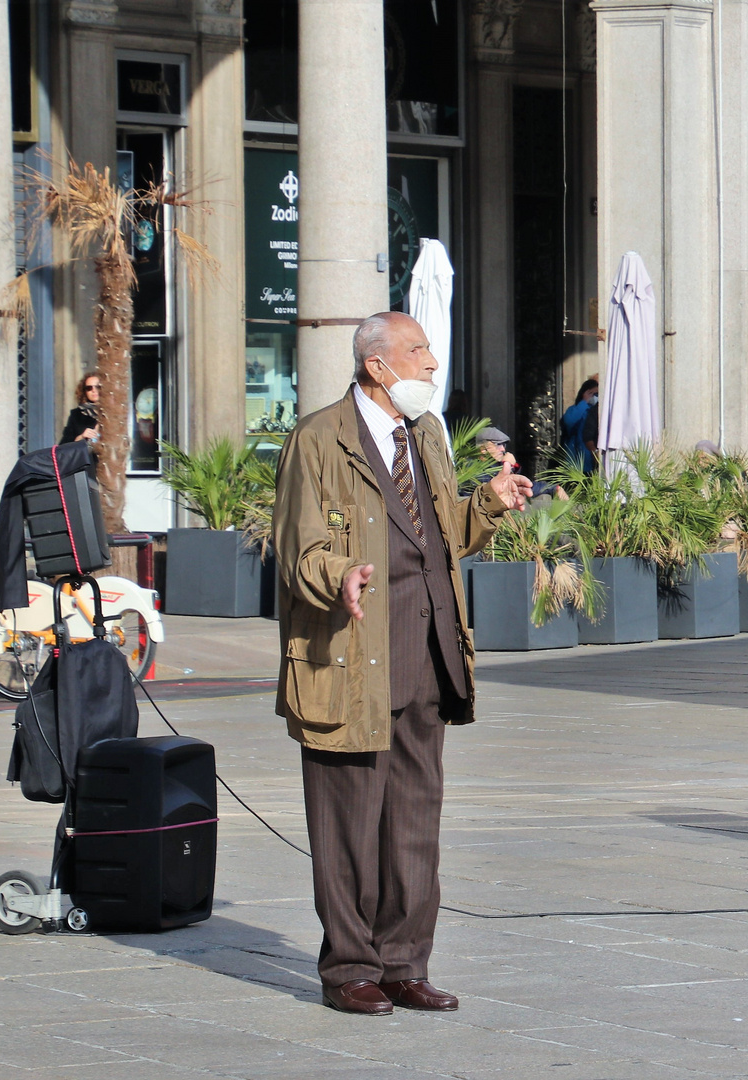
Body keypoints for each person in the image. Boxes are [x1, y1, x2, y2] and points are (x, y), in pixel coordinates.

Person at [273, 311, 531, 1015]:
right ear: (376, 365)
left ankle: (403, 963)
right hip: (348, 657)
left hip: (426, 654)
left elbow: (442, 533)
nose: (432, 364)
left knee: (414, 821)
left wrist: (490, 503)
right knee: (349, 823)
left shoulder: (425, 437)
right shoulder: (318, 439)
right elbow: (297, 550)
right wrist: (340, 577)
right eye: (418, 351)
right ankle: (350, 967)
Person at [560, 377, 599, 473]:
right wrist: (584, 402)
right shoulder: (576, 408)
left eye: (596, 394)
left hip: (593, 456)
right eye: (591, 394)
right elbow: (569, 421)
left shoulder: (598, 411)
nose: (594, 396)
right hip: (577, 457)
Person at [59, 372, 102, 444]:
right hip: (87, 454)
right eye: (89, 388)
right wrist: (81, 437)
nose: (93, 390)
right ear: (85, 392)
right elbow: (64, 445)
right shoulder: (76, 415)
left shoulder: (113, 413)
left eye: (98, 387)